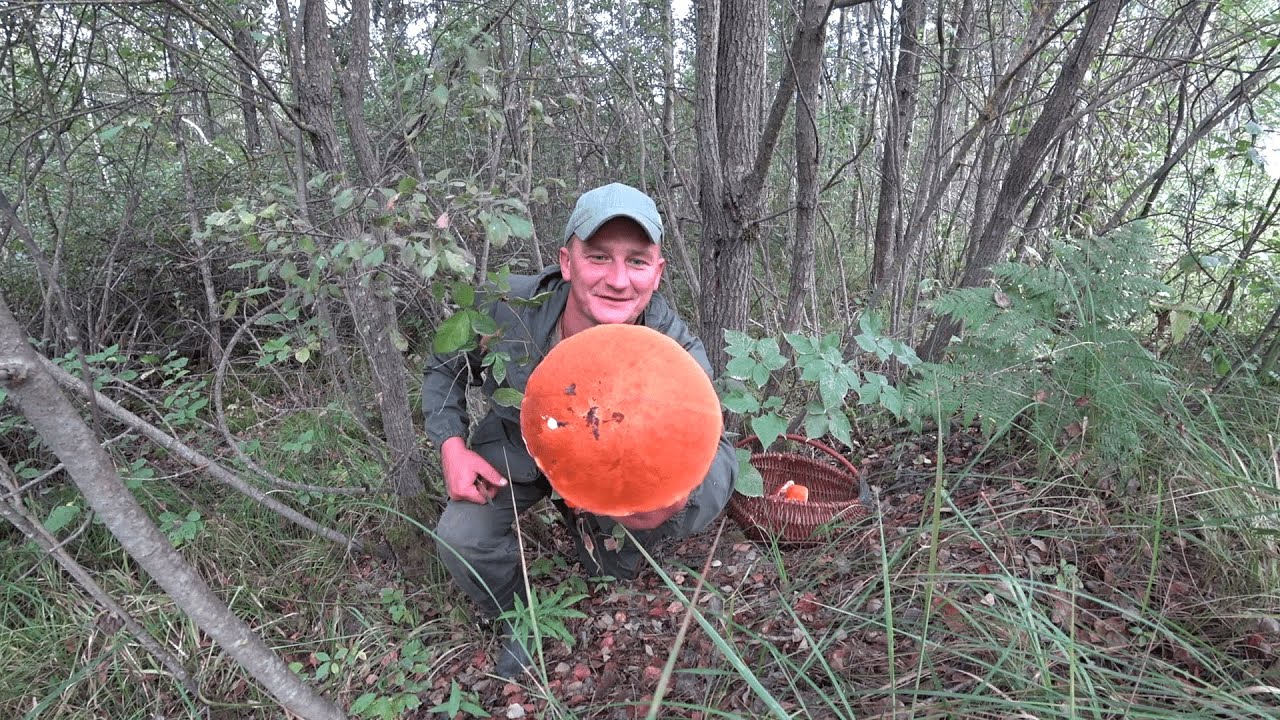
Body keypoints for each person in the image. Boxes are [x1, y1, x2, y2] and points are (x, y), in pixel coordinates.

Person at [422, 182, 737, 678]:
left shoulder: (673, 351)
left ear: (658, 273)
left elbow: (713, 450)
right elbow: (444, 368)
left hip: (611, 468)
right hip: (521, 447)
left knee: (616, 572)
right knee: (462, 535)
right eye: (597, 257)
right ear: (566, 262)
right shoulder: (506, 308)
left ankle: (596, 538)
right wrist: (452, 444)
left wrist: (676, 502)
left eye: (637, 261)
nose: (617, 280)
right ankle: (517, 620)